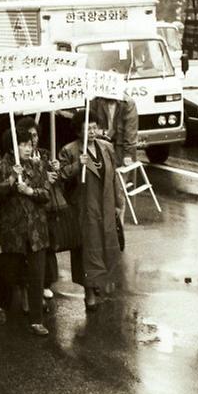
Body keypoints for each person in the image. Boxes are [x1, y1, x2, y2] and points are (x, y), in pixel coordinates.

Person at [58, 110, 124, 311]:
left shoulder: (107, 148)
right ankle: (89, 294)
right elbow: (61, 177)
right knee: (88, 252)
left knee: (106, 247)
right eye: (88, 128)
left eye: (95, 127)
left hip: (105, 205)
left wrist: (118, 203)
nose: (93, 131)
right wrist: (79, 165)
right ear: (79, 131)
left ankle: (99, 284)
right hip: (84, 209)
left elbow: (113, 178)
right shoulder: (69, 151)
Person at [0, 128, 51, 336]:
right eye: (22, 144)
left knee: (37, 275)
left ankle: (36, 320)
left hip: (36, 231)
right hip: (12, 232)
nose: (28, 148)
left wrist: (30, 191)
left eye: (29, 144)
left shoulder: (37, 165)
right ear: (12, 146)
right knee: (7, 274)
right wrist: (11, 180)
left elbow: (46, 194)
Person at [15, 116, 61, 301]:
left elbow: (58, 180)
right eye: (29, 137)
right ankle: (28, 291)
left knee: (46, 249)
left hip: (47, 210)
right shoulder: (19, 160)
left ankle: (45, 283)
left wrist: (57, 170)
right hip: (28, 212)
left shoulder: (45, 154)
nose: (33, 141)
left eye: (35, 136)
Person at [90, 94, 139, 168]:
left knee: (123, 176)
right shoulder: (96, 101)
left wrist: (128, 154)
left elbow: (130, 132)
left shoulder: (127, 103)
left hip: (121, 146)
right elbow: (91, 125)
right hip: (102, 146)